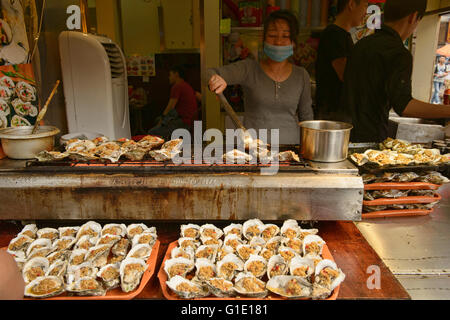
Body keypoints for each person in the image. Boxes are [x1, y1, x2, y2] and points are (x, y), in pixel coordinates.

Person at [340, 0, 450, 143]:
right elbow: (404, 106)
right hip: (369, 141)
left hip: (344, 135)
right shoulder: (399, 54)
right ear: (413, 17)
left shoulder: (362, 44)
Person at [208, 10, 313, 145]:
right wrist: (215, 79)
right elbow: (207, 73)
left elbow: (307, 119)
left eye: (285, 36)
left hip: (292, 151)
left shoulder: (301, 75)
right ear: (263, 39)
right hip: (253, 151)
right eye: (272, 35)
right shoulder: (248, 68)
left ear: (293, 42)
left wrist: (309, 149)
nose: (278, 41)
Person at [315, 0, 368, 120]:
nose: (366, 13)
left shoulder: (343, 35)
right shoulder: (334, 35)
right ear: (351, 4)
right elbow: (346, 74)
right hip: (331, 114)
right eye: (365, 6)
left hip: (339, 113)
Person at [148, 65, 198, 139]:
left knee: (152, 133)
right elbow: (198, 95)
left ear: (176, 74)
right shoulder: (186, 85)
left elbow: (171, 106)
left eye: (170, 75)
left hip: (182, 122)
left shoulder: (177, 86)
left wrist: (162, 118)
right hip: (189, 121)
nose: (169, 77)